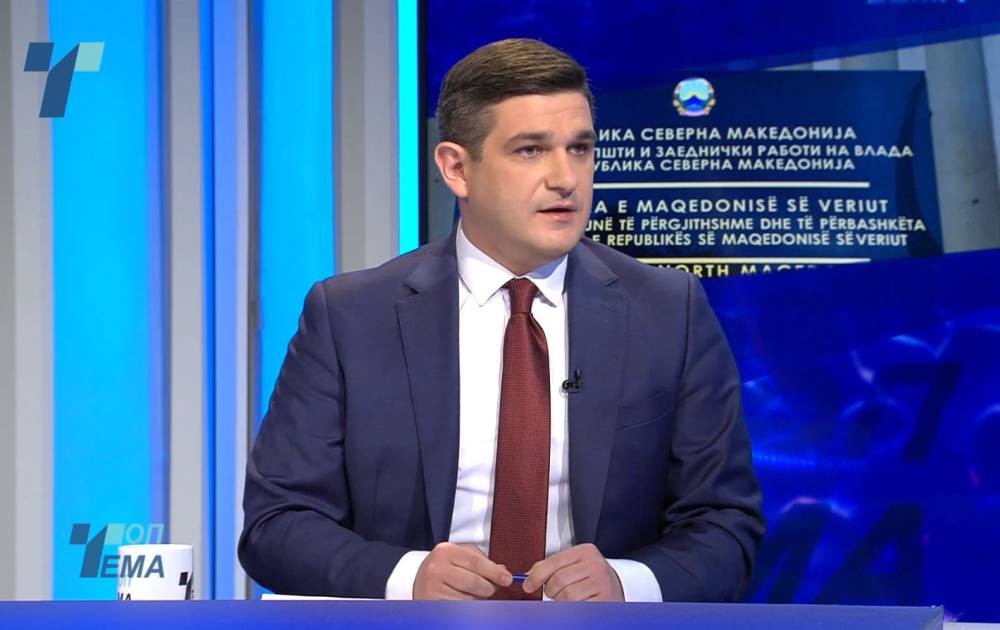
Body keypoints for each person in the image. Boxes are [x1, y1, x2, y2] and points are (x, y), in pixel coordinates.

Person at [239, 38, 764, 602]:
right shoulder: (350, 317)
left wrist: (624, 582)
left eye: (580, 148)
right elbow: (277, 524)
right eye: (531, 150)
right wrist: (408, 578)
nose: (566, 177)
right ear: (456, 168)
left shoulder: (669, 311)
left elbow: (724, 525)